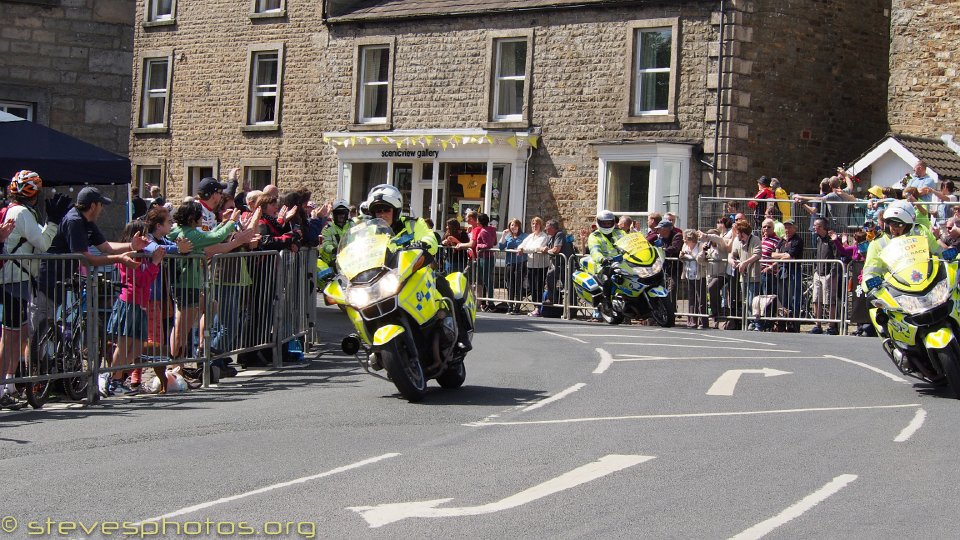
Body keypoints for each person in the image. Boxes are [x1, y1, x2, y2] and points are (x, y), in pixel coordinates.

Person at [366, 184, 471, 351]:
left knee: (442, 284)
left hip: (417, 272)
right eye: (378, 211)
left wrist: (424, 243)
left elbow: (430, 237)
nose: (382, 214)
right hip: (385, 279)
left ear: (396, 210)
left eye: (386, 210)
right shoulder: (370, 233)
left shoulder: (413, 225)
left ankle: (461, 335)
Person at [0, 171, 72, 410]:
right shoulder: (21, 212)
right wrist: (52, 222)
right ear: (35, 194)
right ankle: (1, 387)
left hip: (18, 278)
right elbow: (42, 244)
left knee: (19, 333)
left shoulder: (20, 211)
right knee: (10, 337)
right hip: (13, 279)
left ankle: (10, 385)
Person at [102, 221, 166, 397]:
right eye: (142, 235)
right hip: (129, 302)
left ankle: (113, 375)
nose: (146, 239)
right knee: (123, 345)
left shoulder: (142, 255)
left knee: (137, 347)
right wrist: (155, 263)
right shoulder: (127, 256)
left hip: (140, 304)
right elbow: (140, 280)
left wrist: (154, 261)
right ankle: (113, 380)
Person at [808, 217, 844, 335]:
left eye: (816, 226)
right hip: (818, 272)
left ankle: (831, 325)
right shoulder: (818, 239)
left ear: (822, 227)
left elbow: (836, 256)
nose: (814, 228)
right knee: (816, 299)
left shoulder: (832, 240)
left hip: (829, 273)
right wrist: (815, 270)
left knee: (830, 300)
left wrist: (833, 272)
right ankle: (817, 325)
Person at [768, 218, 804, 331]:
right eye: (786, 227)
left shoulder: (797, 240)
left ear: (795, 228)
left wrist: (782, 255)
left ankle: (794, 323)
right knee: (783, 298)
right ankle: (784, 322)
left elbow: (790, 256)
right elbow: (773, 254)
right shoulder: (782, 240)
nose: (787, 229)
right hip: (782, 271)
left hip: (793, 272)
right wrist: (783, 255)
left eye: (789, 227)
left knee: (794, 297)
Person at [586, 210, 626, 302]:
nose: (607, 225)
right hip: (604, 265)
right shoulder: (594, 236)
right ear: (599, 223)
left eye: (609, 223)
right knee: (608, 279)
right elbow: (594, 251)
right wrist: (602, 259)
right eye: (604, 223)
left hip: (623, 263)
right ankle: (607, 302)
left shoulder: (620, 233)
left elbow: (631, 243)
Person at [728, 219, 761, 323]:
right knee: (745, 300)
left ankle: (754, 322)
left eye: (738, 233)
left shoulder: (755, 239)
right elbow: (731, 254)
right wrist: (731, 261)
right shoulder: (736, 241)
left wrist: (745, 263)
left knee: (753, 301)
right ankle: (749, 322)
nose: (737, 235)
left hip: (754, 275)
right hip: (743, 276)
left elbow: (757, 254)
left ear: (743, 233)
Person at [517, 216, 550, 317]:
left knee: (538, 287)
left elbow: (536, 248)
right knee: (532, 287)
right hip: (531, 264)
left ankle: (539, 307)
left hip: (540, 265)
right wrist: (521, 248)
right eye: (533, 224)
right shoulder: (531, 236)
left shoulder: (544, 236)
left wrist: (525, 250)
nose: (534, 226)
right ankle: (535, 306)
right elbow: (521, 245)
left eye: (537, 224)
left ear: (541, 225)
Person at [542, 219, 574, 306]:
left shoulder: (559, 234)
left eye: (547, 227)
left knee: (569, 287)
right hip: (557, 264)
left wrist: (547, 250)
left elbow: (556, 250)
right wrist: (544, 248)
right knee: (550, 276)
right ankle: (551, 299)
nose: (545, 229)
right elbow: (548, 247)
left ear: (552, 228)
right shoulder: (550, 237)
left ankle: (572, 308)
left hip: (565, 265)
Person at [680, 229, 708, 329]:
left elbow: (699, 258)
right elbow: (681, 256)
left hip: (699, 275)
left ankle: (703, 322)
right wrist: (682, 255)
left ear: (691, 239)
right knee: (691, 299)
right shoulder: (685, 246)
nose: (684, 240)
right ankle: (691, 321)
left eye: (686, 239)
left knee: (701, 299)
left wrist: (689, 255)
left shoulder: (700, 246)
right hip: (688, 274)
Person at [498, 218, 527, 314]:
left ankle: (517, 306)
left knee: (518, 285)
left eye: (515, 225)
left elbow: (523, 246)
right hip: (510, 263)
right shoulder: (508, 237)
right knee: (510, 285)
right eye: (511, 225)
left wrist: (517, 247)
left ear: (519, 227)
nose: (513, 227)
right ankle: (510, 305)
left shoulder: (524, 236)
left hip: (520, 262)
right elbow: (501, 247)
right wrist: (503, 235)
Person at [320, 199, 351, 266]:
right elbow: (326, 244)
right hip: (335, 261)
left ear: (347, 213)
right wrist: (334, 249)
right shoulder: (328, 228)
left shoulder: (353, 225)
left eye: (343, 212)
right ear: (333, 214)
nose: (341, 215)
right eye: (338, 213)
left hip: (352, 259)